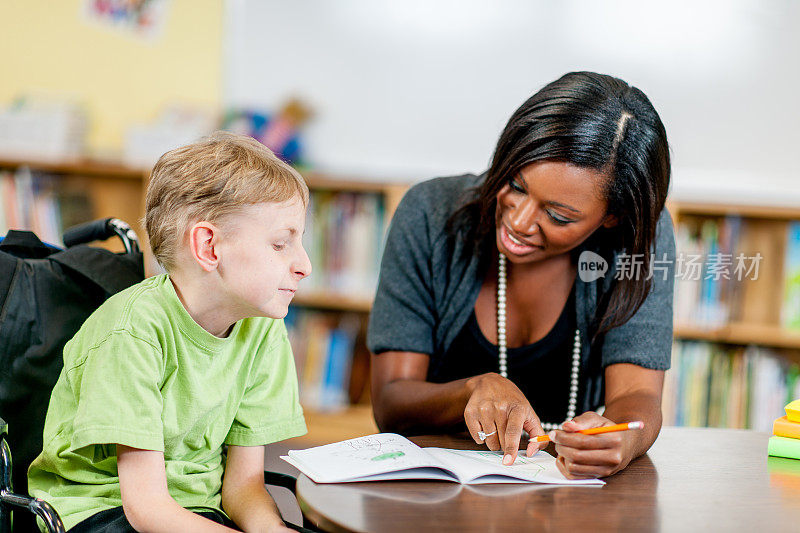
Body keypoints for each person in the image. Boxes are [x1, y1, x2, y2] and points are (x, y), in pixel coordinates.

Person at [367, 71, 674, 479]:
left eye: (558, 215)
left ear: (613, 218)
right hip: (432, 490)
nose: (518, 220)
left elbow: (637, 395)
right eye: (515, 182)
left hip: (562, 496)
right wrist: (471, 389)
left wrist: (622, 438)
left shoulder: (637, 242)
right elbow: (391, 404)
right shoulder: (428, 214)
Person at [28, 132, 311, 532]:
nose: (305, 265)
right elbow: (146, 510)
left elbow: (244, 487)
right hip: (102, 509)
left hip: (197, 508)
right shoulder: (132, 333)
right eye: (282, 245)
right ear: (209, 247)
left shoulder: (263, 330)